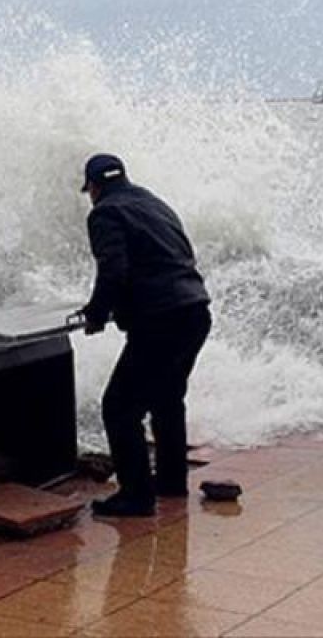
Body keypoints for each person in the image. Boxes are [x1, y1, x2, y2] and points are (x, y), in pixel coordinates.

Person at [75, 153, 211, 517]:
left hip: (161, 320)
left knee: (119, 407)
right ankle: (170, 481)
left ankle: (136, 496)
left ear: (95, 187)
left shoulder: (104, 213)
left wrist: (96, 314)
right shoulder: (154, 203)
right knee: (167, 399)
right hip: (195, 312)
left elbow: (114, 270)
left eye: (89, 190)